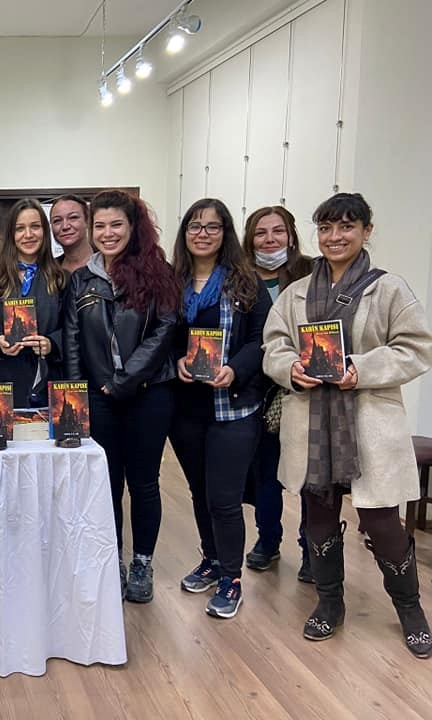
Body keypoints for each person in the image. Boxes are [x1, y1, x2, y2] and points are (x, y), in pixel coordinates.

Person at [263, 192, 432, 657]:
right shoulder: (297, 292)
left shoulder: (389, 289)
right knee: (318, 517)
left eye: (346, 227)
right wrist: (289, 368)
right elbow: (274, 345)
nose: (334, 237)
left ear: (366, 231)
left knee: (382, 522)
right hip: (311, 424)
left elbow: (416, 348)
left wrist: (361, 369)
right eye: (326, 228)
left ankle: (410, 607)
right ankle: (329, 602)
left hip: (369, 422)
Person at [63, 190, 179, 603]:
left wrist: (125, 380)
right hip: (98, 398)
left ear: (133, 227)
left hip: (149, 394)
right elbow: (72, 340)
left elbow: (165, 331)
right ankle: (111, 558)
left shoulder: (158, 273)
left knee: (144, 483)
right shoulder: (81, 279)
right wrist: (79, 396)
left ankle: (142, 562)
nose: (107, 233)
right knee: (106, 483)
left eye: (116, 225)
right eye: (100, 226)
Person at [170, 198, 272, 619]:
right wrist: (177, 359)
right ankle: (211, 560)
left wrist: (235, 369)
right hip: (186, 410)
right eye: (195, 226)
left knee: (225, 499)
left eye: (212, 227)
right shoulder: (172, 283)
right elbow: (162, 335)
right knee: (199, 491)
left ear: (225, 233)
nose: (203, 234)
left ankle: (231, 578)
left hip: (234, 408)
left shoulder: (246, 283)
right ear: (185, 233)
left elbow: (262, 339)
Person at [241, 205, 315, 581]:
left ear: (291, 236)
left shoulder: (312, 274)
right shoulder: (239, 278)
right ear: (249, 239)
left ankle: (312, 548)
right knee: (266, 472)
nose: (270, 240)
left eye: (278, 232)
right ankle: (268, 540)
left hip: (305, 390)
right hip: (258, 391)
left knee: (308, 476)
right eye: (261, 233)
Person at [0, 198, 65, 407]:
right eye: (20, 228)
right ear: (11, 234)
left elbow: (72, 331)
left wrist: (52, 344)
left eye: (35, 226)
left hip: (48, 383)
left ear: (45, 231)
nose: (28, 234)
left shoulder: (61, 278)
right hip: (3, 384)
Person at [49, 194, 92, 272]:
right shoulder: (49, 271)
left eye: (73, 217)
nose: (65, 226)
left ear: (87, 221)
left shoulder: (107, 265)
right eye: (57, 220)